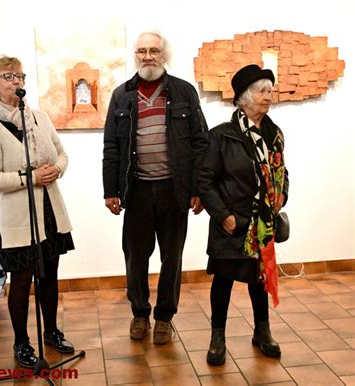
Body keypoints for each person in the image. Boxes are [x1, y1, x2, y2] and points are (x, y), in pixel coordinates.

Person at [102, 31, 208, 345]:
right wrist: (111, 190)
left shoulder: (185, 92)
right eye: (142, 51)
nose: (148, 56)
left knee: (171, 259)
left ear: (164, 54)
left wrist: (198, 187)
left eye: (154, 51)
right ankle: (139, 313)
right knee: (135, 258)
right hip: (135, 191)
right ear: (134, 55)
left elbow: (200, 142)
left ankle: (164, 318)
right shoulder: (121, 95)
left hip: (174, 191)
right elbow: (111, 146)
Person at [0, 56, 75, 369]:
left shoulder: (39, 118)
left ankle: (51, 331)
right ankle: (21, 341)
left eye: (20, 75)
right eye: (8, 77)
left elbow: (61, 153)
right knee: (21, 280)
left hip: (49, 211)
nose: (16, 81)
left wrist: (56, 170)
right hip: (18, 218)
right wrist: (30, 178)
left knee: (49, 275)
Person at [197, 64, 289, 366]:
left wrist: (282, 194)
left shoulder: (274, 134)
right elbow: (205, 181)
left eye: (270, 91)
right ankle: (217, 337)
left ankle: (262, 332)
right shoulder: (221, 137)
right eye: (262, 91)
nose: (268, 97)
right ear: (244, 98)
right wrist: (224, 216)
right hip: (232, 223)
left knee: (258, 280)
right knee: (223, 281)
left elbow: (282, 172)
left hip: (261, 223)